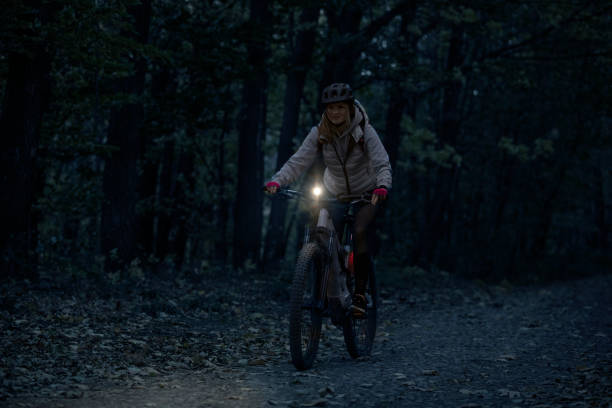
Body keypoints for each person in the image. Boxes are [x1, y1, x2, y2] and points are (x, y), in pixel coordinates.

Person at [265, 83, 392, 317]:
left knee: (360, 230)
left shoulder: (365, 130)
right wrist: (278, 181)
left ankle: (360, 295)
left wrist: (382, 186)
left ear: (350, 108)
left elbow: (382, 163)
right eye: (331, 108)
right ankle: (326, 285)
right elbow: (298, 161)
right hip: (335, 192)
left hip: (366, 193)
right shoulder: (320, 132)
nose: (335, 113)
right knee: (321, 230)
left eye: (341, 107)